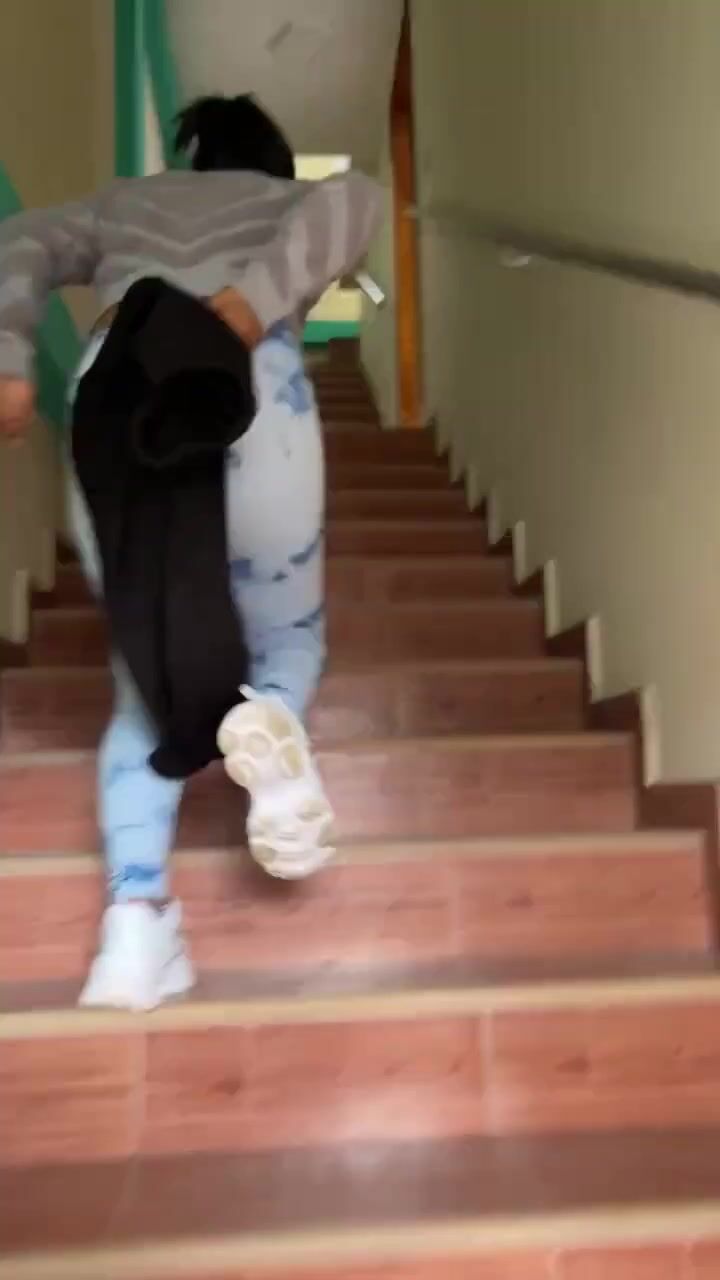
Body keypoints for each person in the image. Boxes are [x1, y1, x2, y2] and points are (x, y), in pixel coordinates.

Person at [0, 95, 383, 1010]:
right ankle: (273, 717)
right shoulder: (286, 198)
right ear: (270, 161)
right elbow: (361, 198)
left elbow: (20, 237)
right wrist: (249, 306)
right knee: (289, 633)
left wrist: (10, 358)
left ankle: (134, 933)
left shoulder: (124, 203)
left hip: (116, 393)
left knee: (145, 679)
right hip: (251, 384)